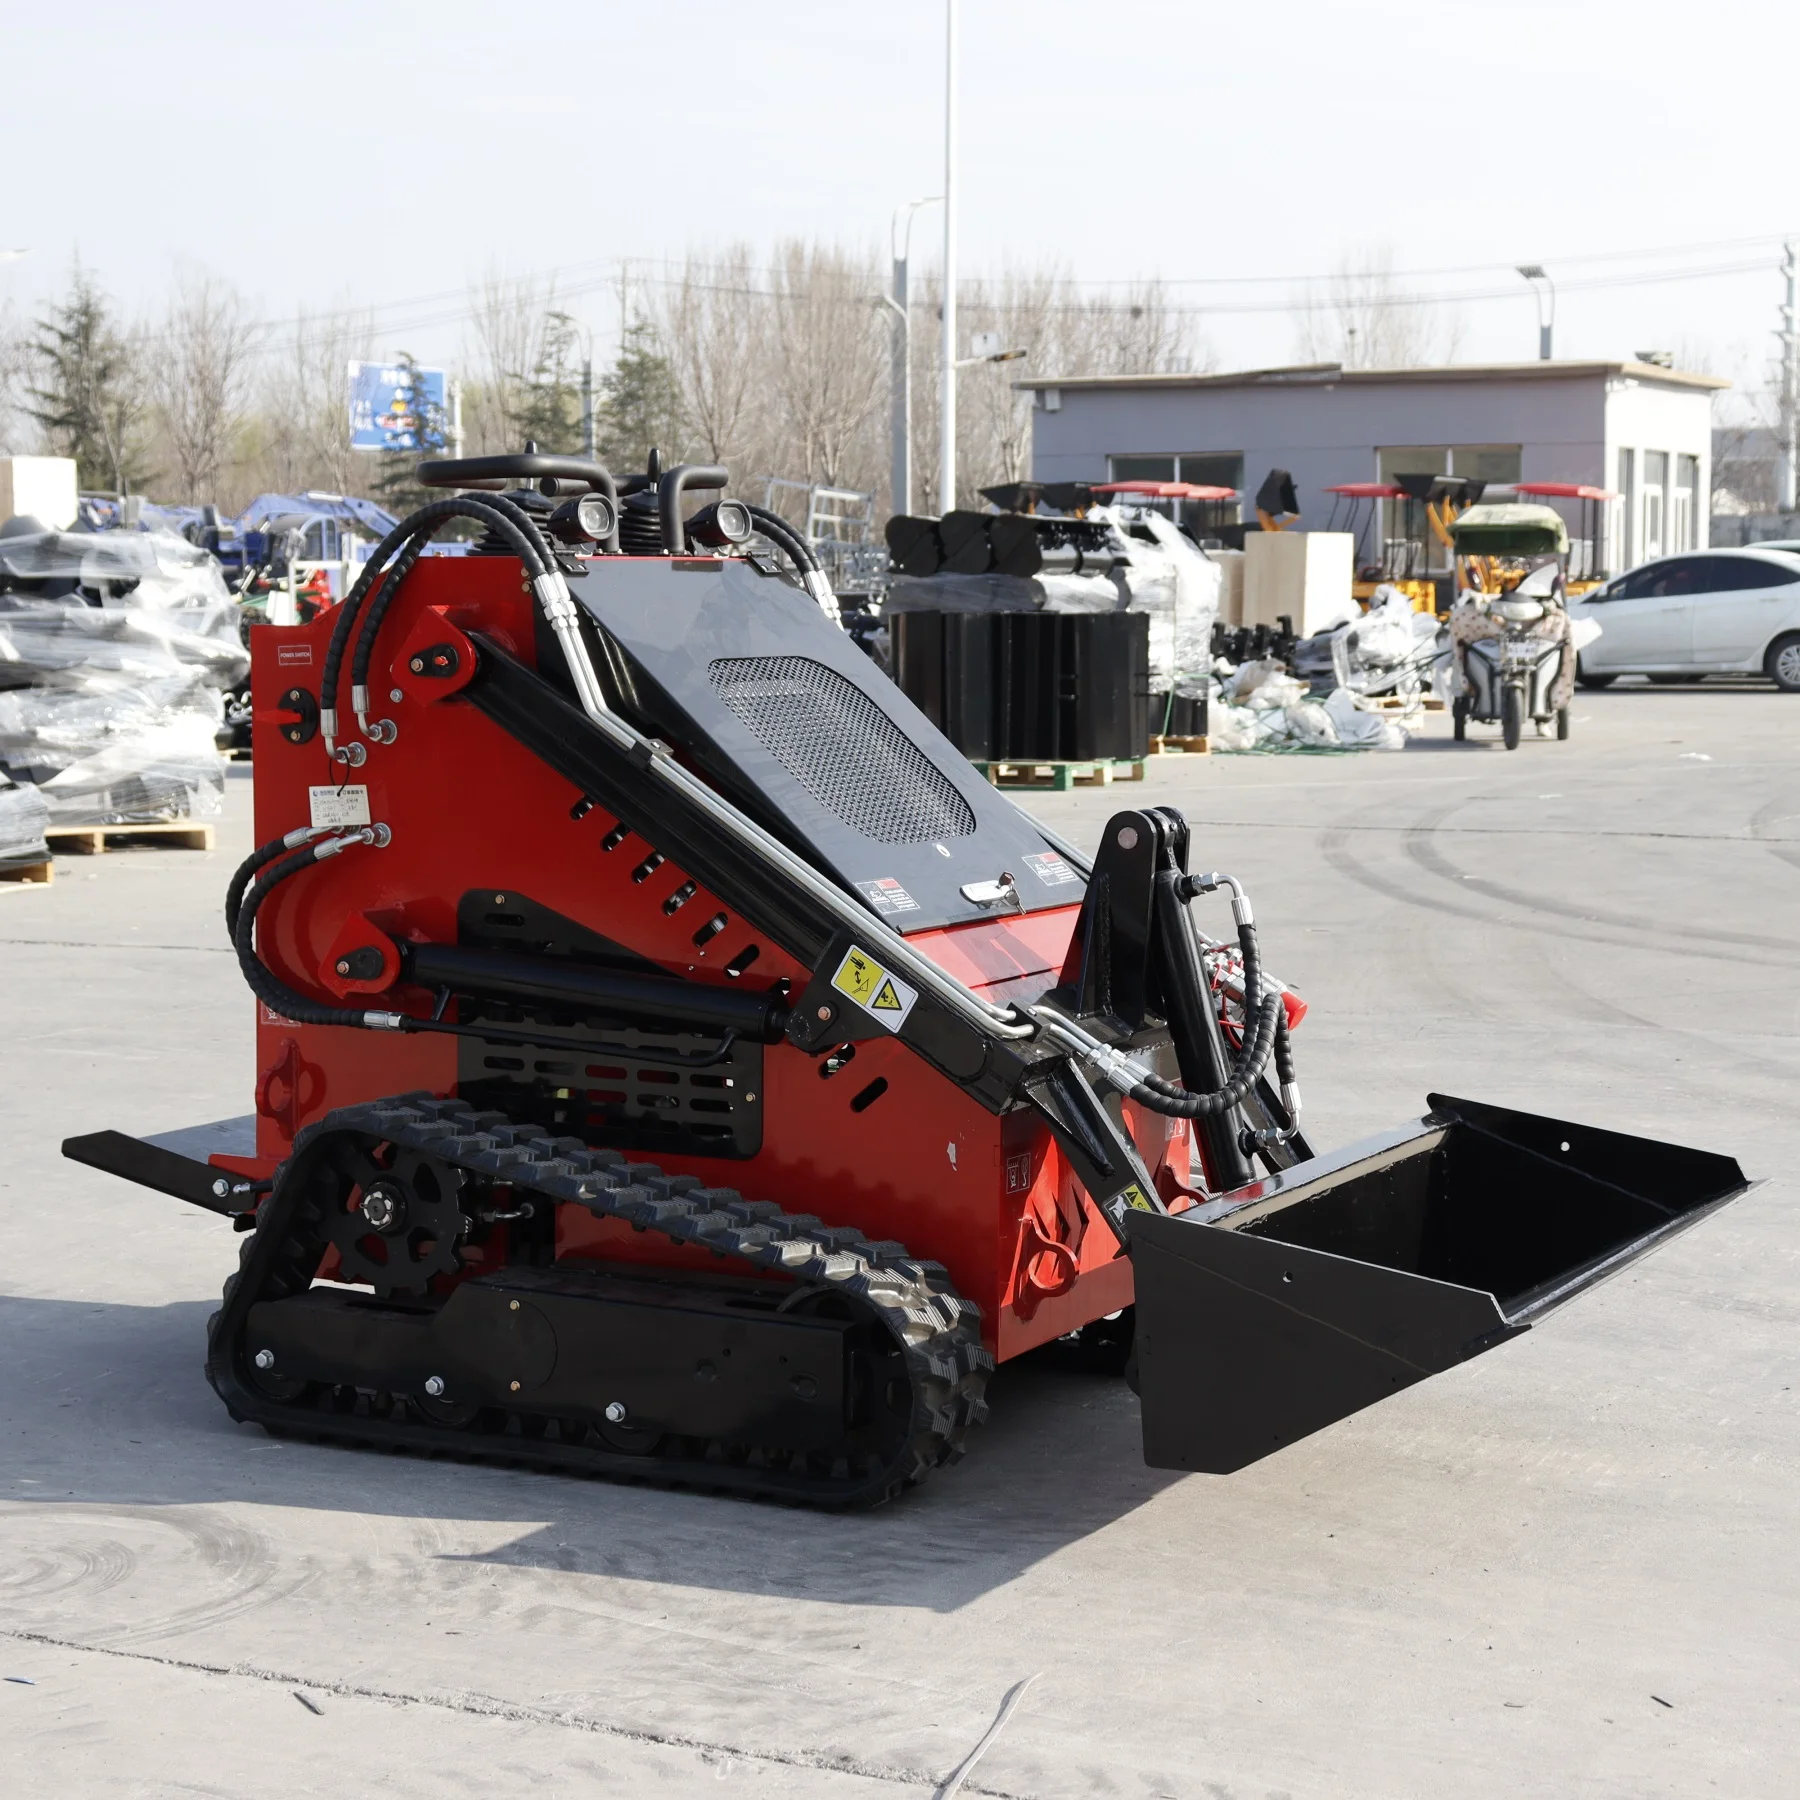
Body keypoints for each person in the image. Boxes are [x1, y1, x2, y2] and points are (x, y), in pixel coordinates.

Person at [1448, 561, 1575, 712]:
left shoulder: (1536, 590)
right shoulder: (1488, 595)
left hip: (1529, 623)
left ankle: (1547, 704)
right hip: (1496, 623)